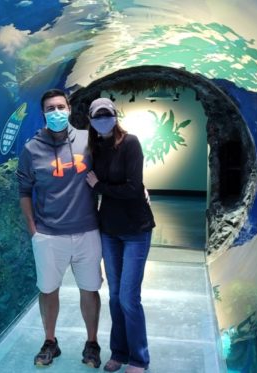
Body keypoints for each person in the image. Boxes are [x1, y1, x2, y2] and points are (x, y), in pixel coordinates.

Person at [16, 89, 103, 368]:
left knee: (90, 290)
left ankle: (92, 343)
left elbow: (111, 171)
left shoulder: (89, 141)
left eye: (60, 107)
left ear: (69, 108)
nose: (56, 112)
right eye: (50, 108)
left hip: (88, 231)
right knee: (48, 289)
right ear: (43, 114)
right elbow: (24, 191)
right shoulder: (31, 149)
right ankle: (50, 342)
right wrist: (34, 230)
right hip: (49, 234)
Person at [85, 97, 155, 373]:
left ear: (115, 115)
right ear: (90, 119)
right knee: (114, 297)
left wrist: (100, 185)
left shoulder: (130, 143)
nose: (103, 118)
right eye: (97, 114)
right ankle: (119, 351)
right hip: (110, 231)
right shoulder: (94, 148)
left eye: (107, 113)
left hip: (136, 229)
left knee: (128, 297)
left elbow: (134, 188)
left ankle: (139, 358)